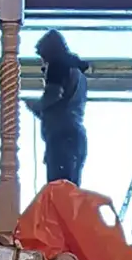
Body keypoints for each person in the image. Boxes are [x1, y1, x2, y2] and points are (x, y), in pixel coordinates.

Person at [28, 29, 89, 186]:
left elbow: (53, 95)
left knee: (58, 189)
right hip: (76, 136)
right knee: (71, 189)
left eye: (43, 57)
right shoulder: (79, 73)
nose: (44, 63)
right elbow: (65, 104)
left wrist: (36, 106)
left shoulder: (58, 64)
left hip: (61, 136)